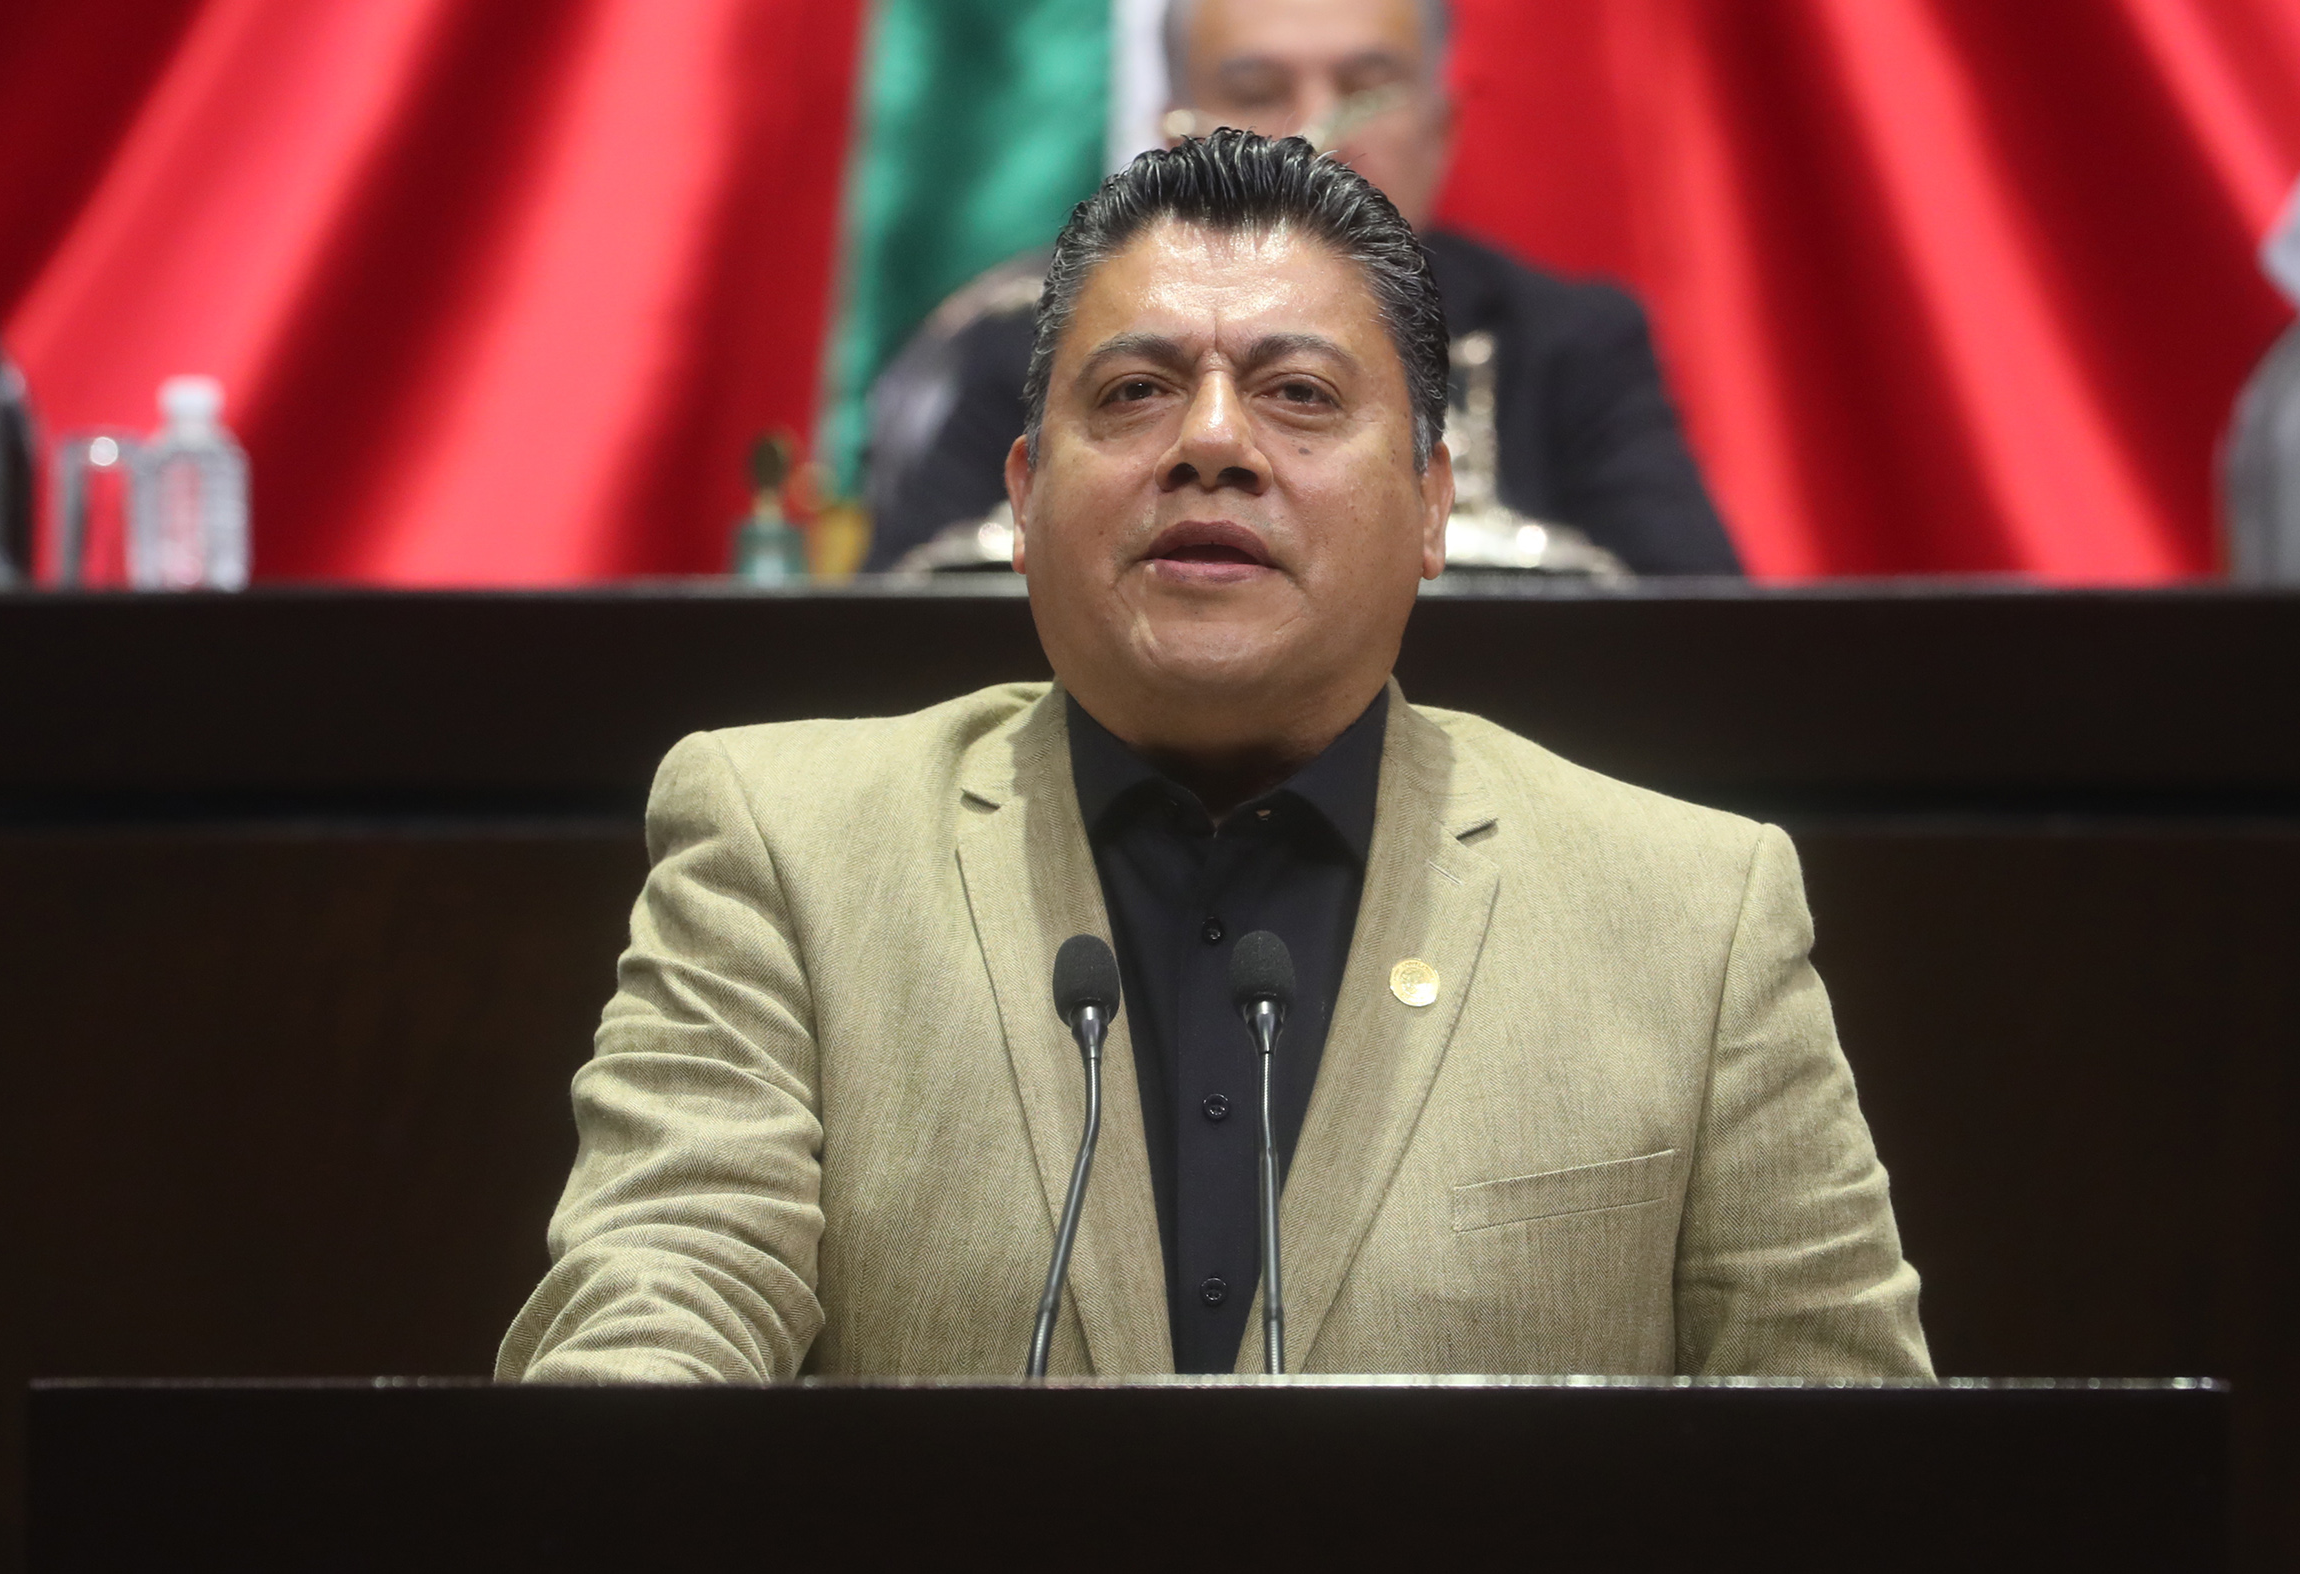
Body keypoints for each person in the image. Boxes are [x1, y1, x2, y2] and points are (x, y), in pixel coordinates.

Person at [501, 132, 1925, 1382]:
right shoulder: (787, 846)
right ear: (1022, 498)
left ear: (1433, 503)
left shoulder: (1690, 910)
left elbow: (1847, 1457)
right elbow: (661, 1302)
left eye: (1298, 393)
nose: (1212, 442)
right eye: (1133, 392)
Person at [862, 0, 1741, 577]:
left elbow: (1706, 651)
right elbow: (898, 642)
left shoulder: (1569, 343)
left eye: (1367, 89)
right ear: (1173, 134)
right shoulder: (1035, 337)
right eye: (1258, 89)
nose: (1319, 130)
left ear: (1439, 130)